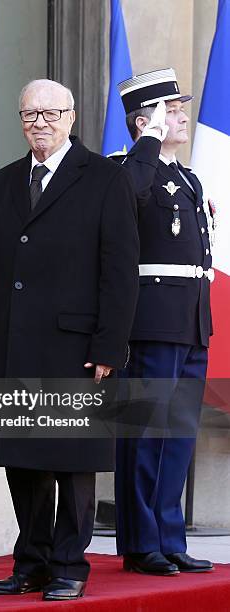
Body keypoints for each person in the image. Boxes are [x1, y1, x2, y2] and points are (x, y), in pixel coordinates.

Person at [0, 79, 139, 601]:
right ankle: (33, 562)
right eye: (28, 114)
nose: (38, 123)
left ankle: (69, 565)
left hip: (77, 348)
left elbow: (120, 271)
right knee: (22, 460)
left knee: (72, 461)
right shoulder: (4, 182)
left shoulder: (107, 179)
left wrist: (110, 348)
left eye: (49, 113)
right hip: (14, 342)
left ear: (71, 117)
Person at [113, 68, 214, 576]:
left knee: (177, 435)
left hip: (192, 319)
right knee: (146, 434)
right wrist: (147, 140)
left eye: (179, 108)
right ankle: (141, 541)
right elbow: (129, 196)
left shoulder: (188, 178)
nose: (182, 116)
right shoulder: (129, 167)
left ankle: (169, 536)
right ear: (142, 122)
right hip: (151, 321)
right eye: (170, 110)